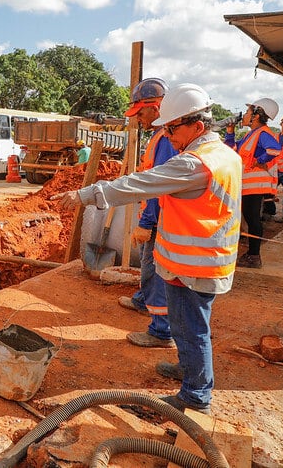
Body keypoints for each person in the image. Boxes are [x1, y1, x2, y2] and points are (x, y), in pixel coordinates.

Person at [52, 83, 242, 415]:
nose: (167, 135)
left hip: (193, 266)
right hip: (203, 260)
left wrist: (86, 195)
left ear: (197, 126)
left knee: (190, 328)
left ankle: (196, 397)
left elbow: (140, 183)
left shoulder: (195, 164)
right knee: (188, 326)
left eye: (172, 128)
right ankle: (189, 370)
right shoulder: (225, 155)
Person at [117, 78, 179, 349]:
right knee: (150, 270)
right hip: (160, 217)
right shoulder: (159, 136)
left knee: (154, 271)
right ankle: (144, 299)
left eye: (140, 113)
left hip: (160, 219)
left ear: (155, 108)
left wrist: (145, 222)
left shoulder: (165, 138)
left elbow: (158, 185)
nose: (137, 119)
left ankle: (161, 331)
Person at [224, 98, 281, 268]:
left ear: (256, 115)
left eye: (248, 112)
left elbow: (275, 150)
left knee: (253, 219)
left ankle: (254, 256)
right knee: (250, 218)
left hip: (254, 185)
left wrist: (259, 160)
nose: (245, 115)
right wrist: (230, 131)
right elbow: (232, 149)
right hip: (247, 185)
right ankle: (252, 254)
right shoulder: (251, 135)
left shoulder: (263, 133)